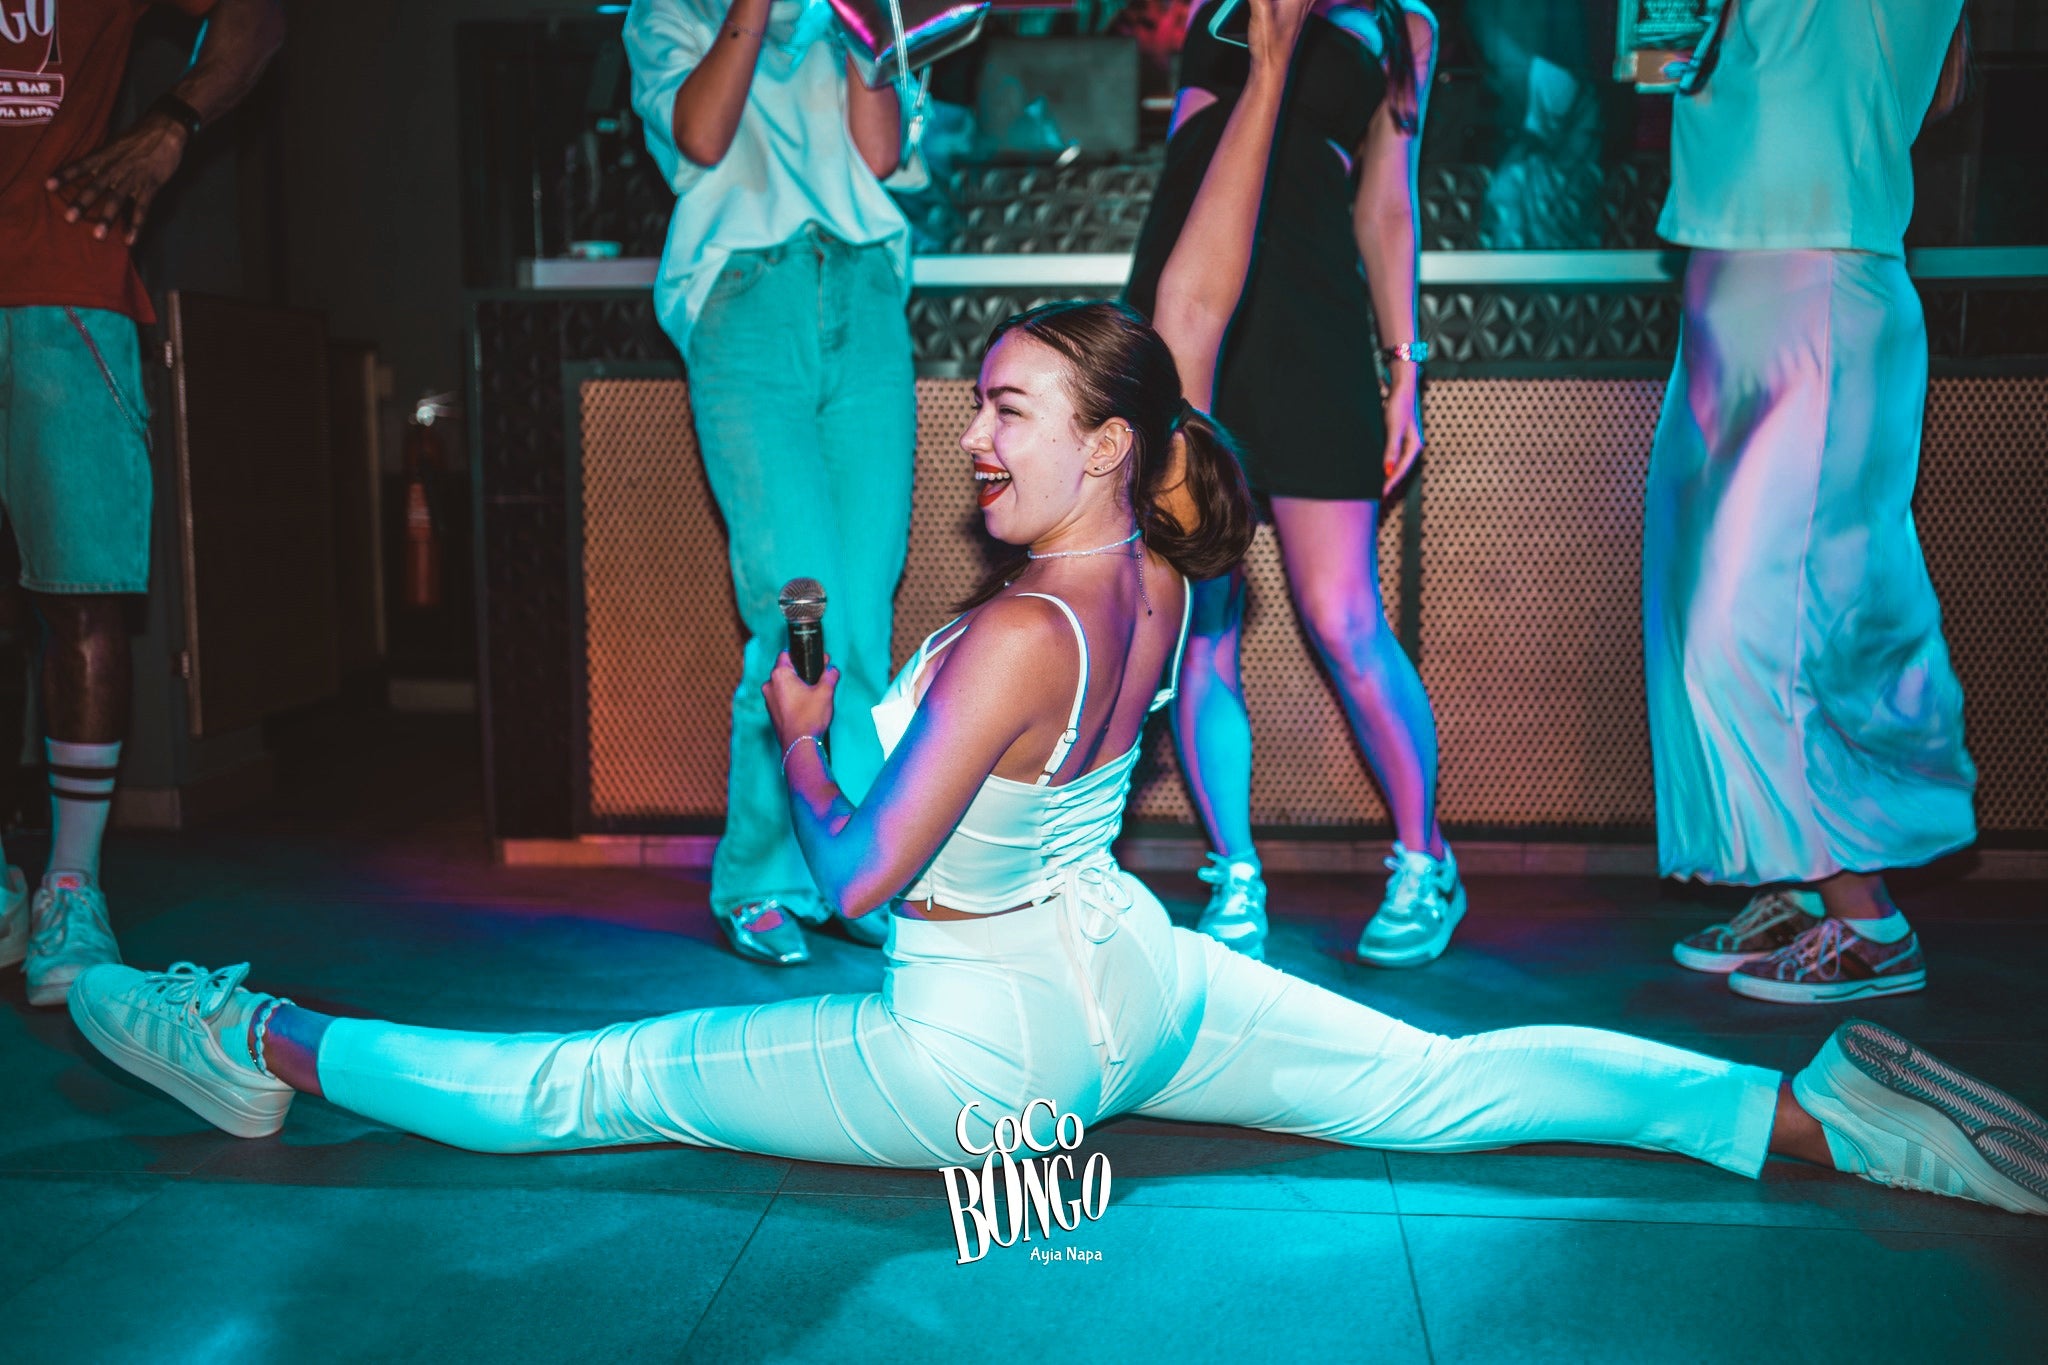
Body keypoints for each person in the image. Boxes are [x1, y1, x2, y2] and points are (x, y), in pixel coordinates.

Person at [62, 0, 2045, 1223]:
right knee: (1433, 1089)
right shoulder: (1163, 560)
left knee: (602, 1081)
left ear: (1102, 447)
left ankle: (254, 1030)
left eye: (1005, 406)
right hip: (1131, 971)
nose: (974, 431)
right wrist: (1263, 83)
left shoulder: (1027, 629)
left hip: (989, 1058)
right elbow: (1180, 322)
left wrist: (794, 744)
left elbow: (850, 879)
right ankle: (1814, 1117)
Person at [1648, 1, 1978, 1003]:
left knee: (1755, 627)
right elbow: (1667, 61)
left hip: (1818, 274)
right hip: (1723, 280)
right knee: (1699, 619)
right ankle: (1793, 875)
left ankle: (1866, 920)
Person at [1124, 0, 1460, 969]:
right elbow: (1184, 150)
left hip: (1311, 313)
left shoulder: (1404, 27)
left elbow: (1386, 204)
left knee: (1341, 614)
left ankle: (1422, 859)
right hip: (1196, 310)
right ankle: (1232, 871)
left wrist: (1404, 367)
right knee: (1202, 619)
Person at [0, 0, 284, 1006]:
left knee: (83, 594)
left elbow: (255, 17)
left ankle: (72, 884)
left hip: (58, 277)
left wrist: (171, 120)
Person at [623, 0, 915, 964]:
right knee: (801, 617)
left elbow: (877, 154)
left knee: (863, 620)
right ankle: (757, 875)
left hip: (865, 286)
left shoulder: (854, 8)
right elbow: (702, 133)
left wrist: (870, 24)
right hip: (746, 297)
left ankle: (854, 868)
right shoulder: (670, 11)